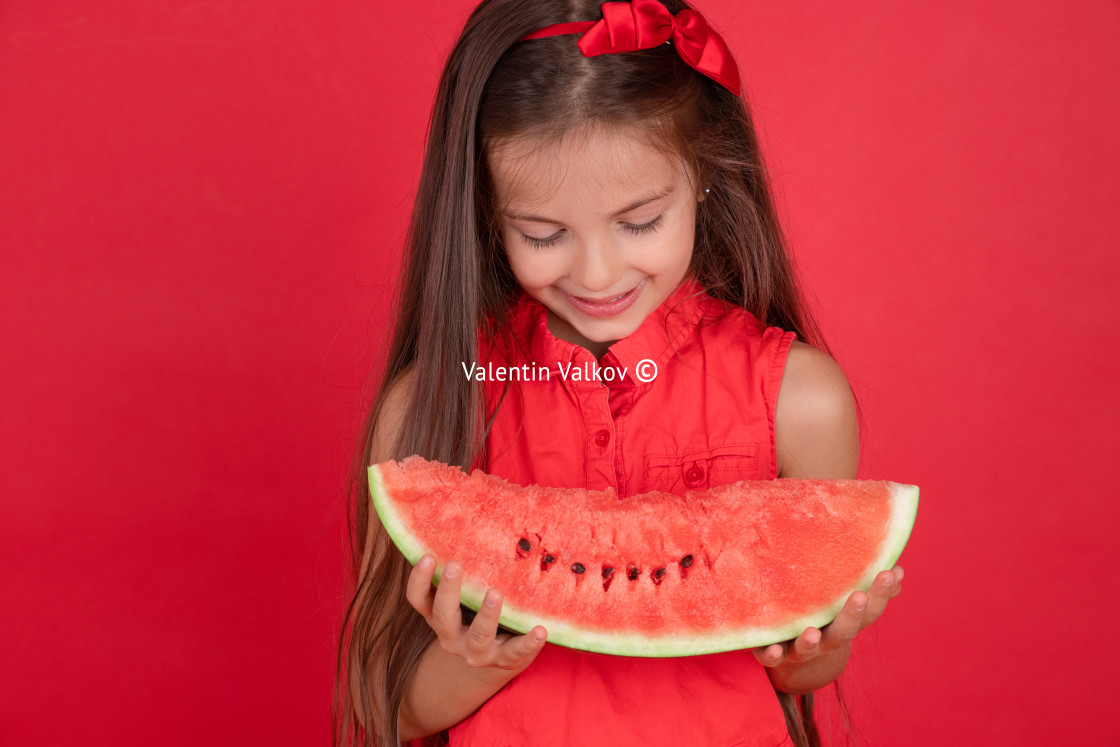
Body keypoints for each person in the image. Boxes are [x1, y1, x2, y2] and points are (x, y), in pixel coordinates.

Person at [334, 1, 905, 745]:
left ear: (703, 177)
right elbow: (390, 705)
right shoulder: (438, 405)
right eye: (543, 234)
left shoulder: (799, 403)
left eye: (639, 222)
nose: (598, 273)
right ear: (488, 213)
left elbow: (791, 677)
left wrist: (820, 647)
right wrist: (471, 660)